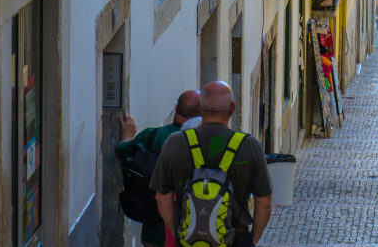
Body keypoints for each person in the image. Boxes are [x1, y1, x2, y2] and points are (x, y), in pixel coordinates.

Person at [151, 81, 273, 247]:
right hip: (236, 238)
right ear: (232, 108)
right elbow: (264, 201)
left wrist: (178, 233)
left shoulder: (175, 142)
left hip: (188, 239)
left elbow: (162, 198)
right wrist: (253, 239)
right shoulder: (250, 146)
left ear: (199, 107)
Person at [115, 90, 201, 247]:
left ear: (176, 109)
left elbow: (122, 151)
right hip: (193, 230)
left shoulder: (153, 135)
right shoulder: (204, 142)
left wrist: (127, 136)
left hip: (154, 231)